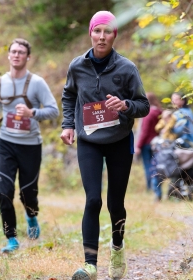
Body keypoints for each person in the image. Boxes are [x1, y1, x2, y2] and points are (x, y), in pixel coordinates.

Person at [60, 11, 149, 280]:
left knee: (115, 203)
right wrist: (68, 124)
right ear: (90, 33)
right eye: (97, 31)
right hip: (89, 141)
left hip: (119, 141)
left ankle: (118, 249)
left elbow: (143, 106)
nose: (101, 36)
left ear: (114, 35)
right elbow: (69, 94)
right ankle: (90, 264)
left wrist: (125, 105)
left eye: (107, 31)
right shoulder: (77, 66)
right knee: (93, 199)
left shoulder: (127, 68)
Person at [0, 38, 59, 253]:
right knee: (4, 192)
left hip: (30, 145)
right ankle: (11, 238)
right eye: (13, 51)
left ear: (28, 57)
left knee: (28, 193)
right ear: (8, 55)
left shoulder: (36, 83)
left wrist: (32, 113)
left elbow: (53, 110)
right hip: (6, 143)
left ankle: (31, 217)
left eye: (21, 52)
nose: (17, 55)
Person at [135, 92, 162, 194]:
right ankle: (156, 187)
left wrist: (138, 146)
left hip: (146, 144)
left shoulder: (148, 113)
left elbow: (144, 132)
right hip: (157, 143)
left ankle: (150, 188)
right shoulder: (159, 111)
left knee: (148, 166)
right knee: (155, 166)